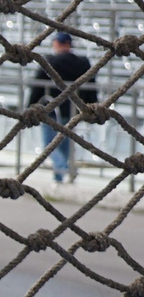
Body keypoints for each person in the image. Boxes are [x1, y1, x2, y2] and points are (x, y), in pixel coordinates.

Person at [33, 31, 99, 184]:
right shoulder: (82, 63)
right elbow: (91, 86)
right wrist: (91, 106)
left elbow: (36, 86)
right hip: (72, 109)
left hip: (50, 108)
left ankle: (62, 168)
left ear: (57, 43)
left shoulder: (49, 61)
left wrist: (31, 105)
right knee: (64, 143)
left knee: (49, 144)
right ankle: (61, 174)